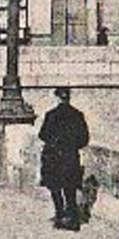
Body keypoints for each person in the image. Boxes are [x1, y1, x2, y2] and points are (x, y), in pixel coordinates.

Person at [39, 87, 91, 231]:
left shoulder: (51, 115)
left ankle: (60, 215)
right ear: (68, 98)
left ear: (57, 98)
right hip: (70, 157)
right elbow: (84, 139)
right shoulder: (78, 115)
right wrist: (72, 146)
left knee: (55, 187)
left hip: (53, 156)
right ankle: (73, 219)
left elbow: (42, 135)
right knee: (70, 189)